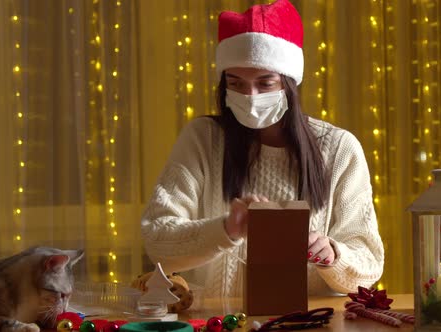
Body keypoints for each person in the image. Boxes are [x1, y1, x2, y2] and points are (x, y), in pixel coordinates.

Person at [141, 0, 384, 297]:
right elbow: (157, 240)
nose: (250, 96)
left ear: (289, 84)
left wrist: (332, 253)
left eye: (265, 83)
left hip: (312, 322)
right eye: (236, 83)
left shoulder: (339, 149)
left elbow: (369, 264)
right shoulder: (202, 139)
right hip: (220, 320)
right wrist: (226, 230)